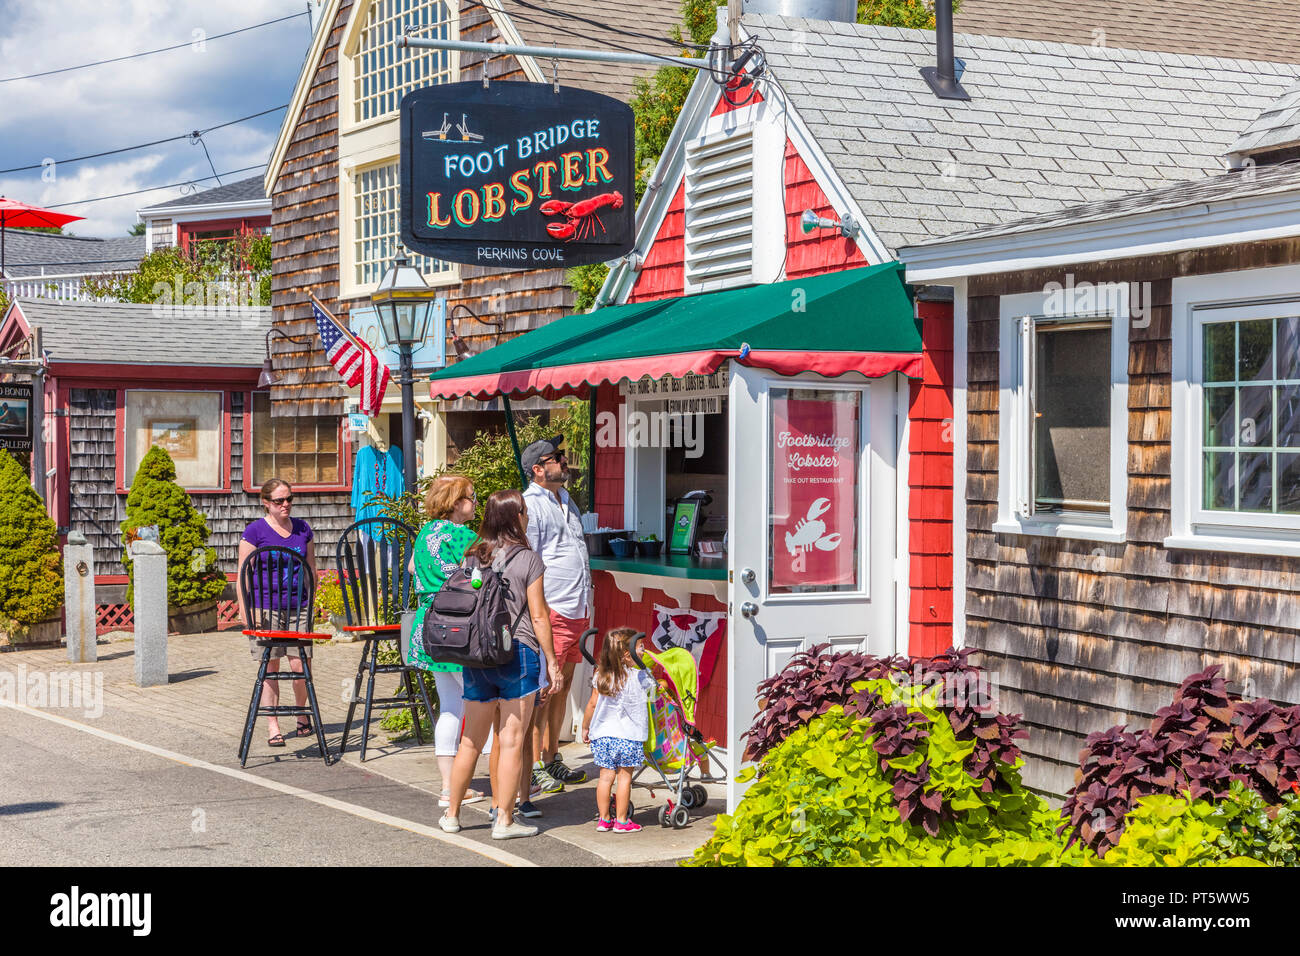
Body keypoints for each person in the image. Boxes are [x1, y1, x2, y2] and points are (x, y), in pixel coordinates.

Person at [440, 489, 562, 840]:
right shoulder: (529, 559)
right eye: (523, 510)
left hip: (477, 654)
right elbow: (539, 617)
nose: (527, 515)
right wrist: (551, 662)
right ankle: (504, 820)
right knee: (510, 740)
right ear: (514, 516)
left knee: (470, 741)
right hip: (517, 653)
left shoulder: (473, 555)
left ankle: (452, 814)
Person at [408, 474, 486, 810]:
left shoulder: (426, 532)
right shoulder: (466, 536)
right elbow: (485, 575)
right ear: (456, 504)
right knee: (486, 706)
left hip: (429, 626)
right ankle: (505, 780)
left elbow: (412, 568)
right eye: (471, 497)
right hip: (460, 627)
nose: (476, 502)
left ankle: (448, 787)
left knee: (450, 706)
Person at [521, 435, 592, 793]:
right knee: (543, 691)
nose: (563, 461)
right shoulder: (530, 505)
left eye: (562, 455)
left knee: (561, 689)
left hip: (577, 605)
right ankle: (533, 764)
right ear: (537, 469)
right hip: (553, 607)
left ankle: (551, 757)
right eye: (555, 457)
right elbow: (528, 557)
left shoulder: (566, 499)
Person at [237, 478, 316, 748]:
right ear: (266, 503)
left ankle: (301, 714)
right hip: (264, 606)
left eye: (289, 499)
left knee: (300, 663)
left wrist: (313, 603)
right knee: (270, 666)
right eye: (279, 501)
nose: (286, 505)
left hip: (299, 605)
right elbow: (243, 574)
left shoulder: (303, 529)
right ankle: (272, 724)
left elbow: (311, 570)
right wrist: (246, 612)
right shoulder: (255, 532)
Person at [581, 627, 653, 833]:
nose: (644, 651)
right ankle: (621, 821)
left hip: (603, 736)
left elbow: (592, 704)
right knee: (624, 778)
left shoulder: (601, 675)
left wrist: (586, 727)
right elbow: (655, 690)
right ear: (627, 654)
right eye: (641, 647)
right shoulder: (640, 677)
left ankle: (604, 819)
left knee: (605, 778)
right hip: (628, 737)